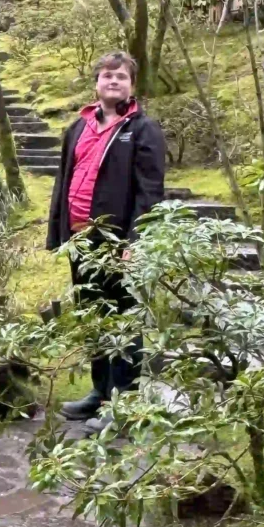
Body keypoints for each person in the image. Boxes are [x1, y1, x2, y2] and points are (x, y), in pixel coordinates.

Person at [46, 51, 166, 421]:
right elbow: (63, 182)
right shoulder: (78, 128)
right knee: (93, 317)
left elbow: (150, 192)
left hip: (118, 244)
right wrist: (59, 234)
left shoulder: (143, 131)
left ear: (131, 85)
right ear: (96, 82)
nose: (114, 81)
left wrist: (136, 241)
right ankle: (100, 392)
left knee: (123, 320)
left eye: (122, 77)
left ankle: (122, 404)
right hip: (80, 240)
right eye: (107, 75)